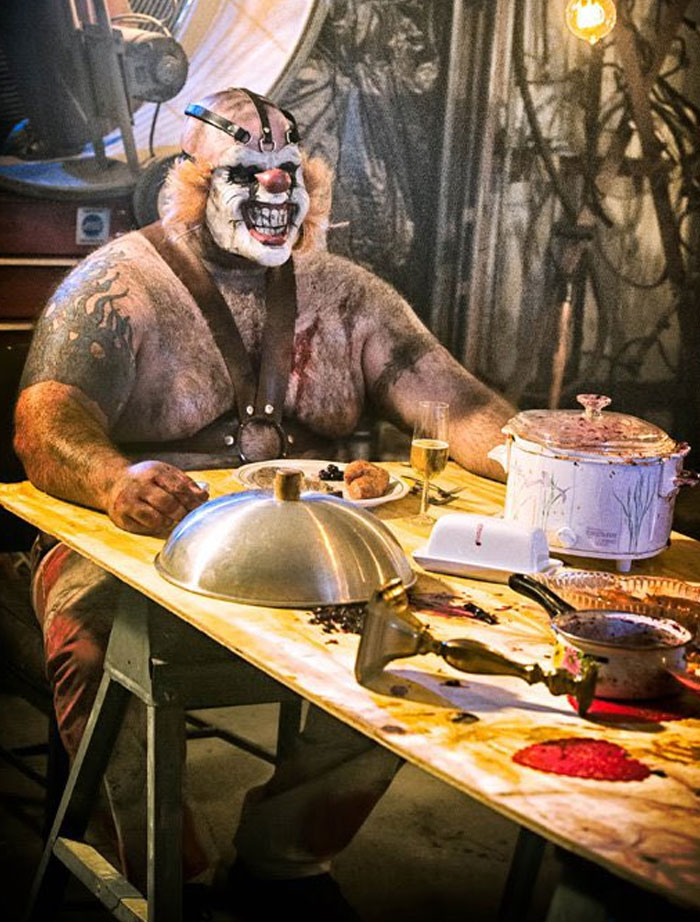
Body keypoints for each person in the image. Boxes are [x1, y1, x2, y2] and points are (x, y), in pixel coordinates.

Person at [13, 87, 513, 920]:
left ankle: (284, 860)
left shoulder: (348, 295)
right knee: (93, 650)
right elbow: (43, 424)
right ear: (191, 184)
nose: (274, 190)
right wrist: (115, 481)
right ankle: (176, 880)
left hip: (309, 554)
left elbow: (457, 405)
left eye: (288, 172)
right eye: (246, 173)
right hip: (137, 549)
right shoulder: (118, 284)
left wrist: (550, 460)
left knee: (429, 643)